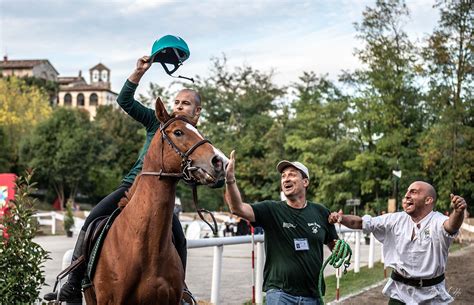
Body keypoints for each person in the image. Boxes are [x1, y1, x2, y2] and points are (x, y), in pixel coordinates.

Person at [44, 55, 202, 302]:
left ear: (197, 111)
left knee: (179, 237)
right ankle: (73, 284)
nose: (179, 106)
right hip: (131, 188)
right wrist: (138, 73)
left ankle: (180, 289)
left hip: (162, 198)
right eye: (177, 102)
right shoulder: (155, 121)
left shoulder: (195, 139)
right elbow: (124, 100)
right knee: (93, 219)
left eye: (186, 103)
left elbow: (197, 174)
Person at [224, 151, 338, 304]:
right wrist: (230, 180)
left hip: (313, 295)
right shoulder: (271, 209)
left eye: (291, 174)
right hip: (280, 295)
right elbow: (237, 208)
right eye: (283, 176)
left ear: (305, 182)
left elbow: (334, 246)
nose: (286, 179)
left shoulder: (321, 211)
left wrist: (340, 247)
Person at [328, 181, 468, 304]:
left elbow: (451, 226)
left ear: (428, 200)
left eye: (413, 192)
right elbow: (360, 222)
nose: (407, 195)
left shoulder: (437, 221)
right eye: (407, 192)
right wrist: (341, 218)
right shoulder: (395, 219)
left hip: (431, 295)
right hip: (400, 292)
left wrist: (458, 211)